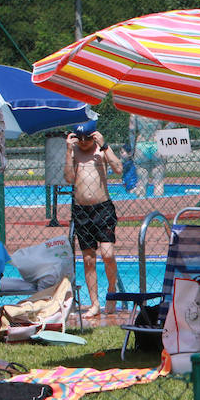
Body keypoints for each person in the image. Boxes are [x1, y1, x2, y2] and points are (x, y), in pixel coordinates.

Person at [65, 120, 122, 318]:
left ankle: (112, 291)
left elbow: (119, 169)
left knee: (107, 254)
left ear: (94, 136)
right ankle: (94, 303)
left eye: (86, 138)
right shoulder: (74, 153)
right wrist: (67, 152)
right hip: (82, 211)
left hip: (103, 208)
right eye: (79, 139)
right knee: (88, 259)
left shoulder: (101, 150)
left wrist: (105, 147)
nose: (83, 142)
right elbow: (69, 178)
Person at [129, 114, 166, 198]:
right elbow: (173, 122)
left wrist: (132, 147)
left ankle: (140, 205)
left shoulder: (135, 111)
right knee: (158, 182)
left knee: (141, 182)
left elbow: (132, 130)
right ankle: (159, 205)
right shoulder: (157, 109)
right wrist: (164, 133)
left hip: (141, 143)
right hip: (157, 142)